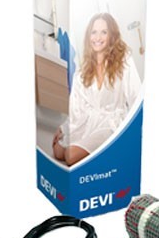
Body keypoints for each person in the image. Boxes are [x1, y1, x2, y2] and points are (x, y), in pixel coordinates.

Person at [53, 12, 141, 166]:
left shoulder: (124, 61)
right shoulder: (82, 72)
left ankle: (105, 151)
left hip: (110, 123)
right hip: (88, 121)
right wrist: (63, 128)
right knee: (58, 152)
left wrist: (133, 132)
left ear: (111, 35)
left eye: (103, 32)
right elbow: (76, 108)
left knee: (70, 156)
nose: (98, 37)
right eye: (94, 32)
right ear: (89, 36)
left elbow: (136, 96)